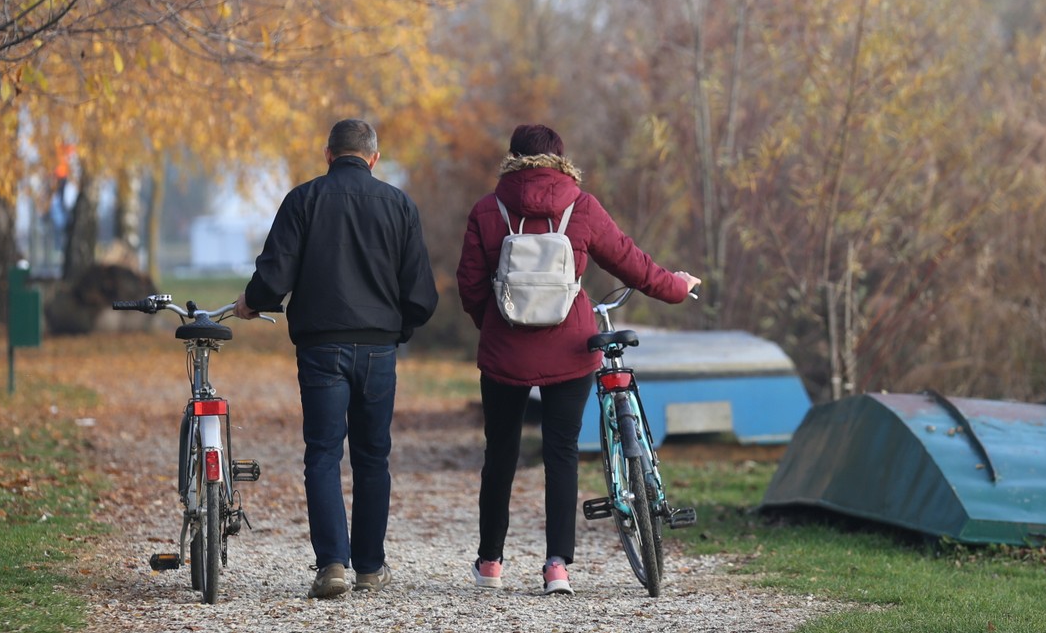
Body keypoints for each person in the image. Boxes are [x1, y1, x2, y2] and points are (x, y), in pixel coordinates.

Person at [455, 123, 699, 595]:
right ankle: (557, 568)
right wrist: (676, 286)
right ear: (559, 160)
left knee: (500, 452)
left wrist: (495, 322)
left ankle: (490, 564)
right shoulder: (580, 206)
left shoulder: (488, 209)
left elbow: (469, 284)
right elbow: (631, 262)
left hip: (504, 352)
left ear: (513, 158)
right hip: (570, 347)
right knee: (561, 452)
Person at [235, 118, 439, 599]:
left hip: (321, 347)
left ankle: (332, 565)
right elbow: (421, 293)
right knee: (373, 457)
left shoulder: (303, 200)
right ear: (373, 158)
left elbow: (274, 274)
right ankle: (369, 566)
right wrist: (397, 330)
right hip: (378, 349)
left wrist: (253, 301)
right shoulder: (399, 205)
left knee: (323, 455)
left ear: (328, 155)